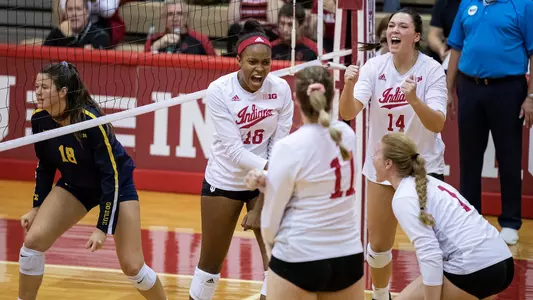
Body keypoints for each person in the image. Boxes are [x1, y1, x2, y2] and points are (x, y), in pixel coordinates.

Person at [19, 62, 167, 300]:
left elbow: (111, 175)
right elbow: (45, 166)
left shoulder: (90, 121)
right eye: (36, 86)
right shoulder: (40, 120)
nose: (37, 92)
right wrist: (37, 206)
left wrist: (102, 227)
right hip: (76, 185)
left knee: (132, 266)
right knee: (33, 242)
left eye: (44, 87)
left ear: (63, 91)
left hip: (116, 186)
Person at [339, 8, 448, 300]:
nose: (393, 30)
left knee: (434, 245)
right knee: (378, 246)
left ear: (416, 36)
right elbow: (347, 111)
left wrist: (413, 99)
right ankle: (380, 294)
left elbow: (437, 122)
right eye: (391, 25)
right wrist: (348, 86)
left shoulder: (432, 70)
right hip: (384, 169)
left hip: (424, 166)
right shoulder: (374, 67)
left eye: (402, 25)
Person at [188, 19, 294, 300]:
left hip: (265, 182)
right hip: (225, 179)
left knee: (278, 265)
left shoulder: (281, 90)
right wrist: (276, 169)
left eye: (265, 62)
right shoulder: (219, 91)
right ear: (238, 60)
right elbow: (235, 153)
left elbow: (279, 145)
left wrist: (266, 191)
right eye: (252, 62)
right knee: (209, 268)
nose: (259, 69)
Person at [244, 65, 365, 299]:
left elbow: (271, 217)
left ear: (297, 100)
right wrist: (269, 181)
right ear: (332, 97)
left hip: (300, 255)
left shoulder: (289, 147)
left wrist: (273, 252)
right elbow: (320, 181)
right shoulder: (347, 136)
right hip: (347, 256)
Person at [372, 132, 514, 300]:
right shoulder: (430, 184)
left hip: (477, 267)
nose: (372, 158)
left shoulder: (404, 197)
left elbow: (430, 254)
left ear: (388, 163)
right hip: (502, 260)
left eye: (376, 154)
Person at [446, 0, 533, 245]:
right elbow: (456, 48)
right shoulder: (467, 3)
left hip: (508, 88)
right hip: (469, 86)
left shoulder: (524, 5)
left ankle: (510, 222)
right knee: (469, 156)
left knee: (508, 155)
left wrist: (531, 96)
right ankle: (470, 219)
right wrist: (448, 90)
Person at [144, 0, 216, 55]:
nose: (175, 18)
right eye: (170, 14)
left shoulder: (202, 40)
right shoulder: (153, 40)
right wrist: (155, 47)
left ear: (186, 17)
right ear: (163, 18)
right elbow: (142, 67)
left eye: (180, 13)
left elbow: (216, 65)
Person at [44, 0, 110, 50]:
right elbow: (43, 55)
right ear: (65, 13)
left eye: (78, 9)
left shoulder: (100, 36)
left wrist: (69, 37)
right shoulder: (57, 33)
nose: (74, 14)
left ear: (87, 13)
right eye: (70, 9)